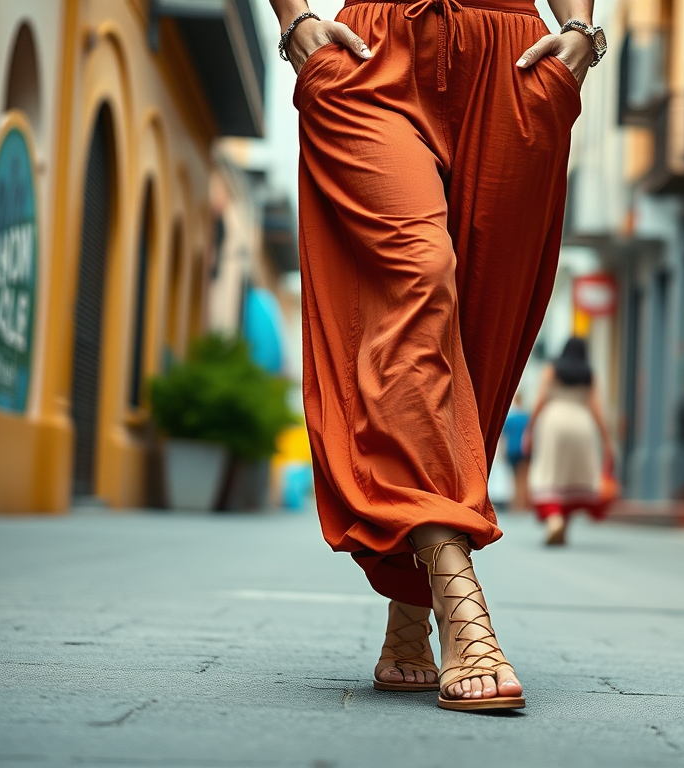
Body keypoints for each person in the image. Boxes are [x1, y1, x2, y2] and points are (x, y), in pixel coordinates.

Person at [271, 0, 606, 711]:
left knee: (477, 344)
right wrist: (293, 20)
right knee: (417, 281)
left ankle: (408, 606)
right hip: (371, 53)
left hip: (514, 61)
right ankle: (464, 610)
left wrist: (578, 32)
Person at [524, 337, 614, 546]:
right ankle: (564, 528)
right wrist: (607, 441)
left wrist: (529, 430)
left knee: (550, 474)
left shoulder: (551, 370)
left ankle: (555, 521)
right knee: (573, 477)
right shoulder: (589, 374)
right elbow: (597, 409)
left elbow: (540, 401)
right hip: (582, 425)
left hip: (554, 423)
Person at [501, 393, 531, 510]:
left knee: (514, 479)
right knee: (524, 478)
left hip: (511, 450)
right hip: (524, 450)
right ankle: (524, 505)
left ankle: (515, 505)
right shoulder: (526, 417)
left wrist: (502, 453)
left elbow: (503, 438)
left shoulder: (510, 419)